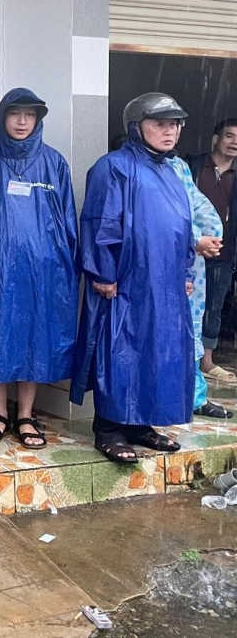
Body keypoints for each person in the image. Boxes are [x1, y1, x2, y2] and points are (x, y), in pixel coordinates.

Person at [72, 93, 196, 463]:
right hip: (125, 282)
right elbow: (97, 222)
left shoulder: (172, 172)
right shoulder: (115, 167)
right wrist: (102, 272)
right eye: (160, 123)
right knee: (119, 352)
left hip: (166, 284)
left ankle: (141, 424)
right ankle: (109, 428)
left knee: (157, 351)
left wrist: (186, 271)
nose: (169, 131)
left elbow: (182, 228)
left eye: (174, 124)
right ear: (136, 126)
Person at [0, 89, 79, 448]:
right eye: (15, 114)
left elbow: (67, 220)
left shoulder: (54, 163)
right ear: (4, 118)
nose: (22, 121)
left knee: (34, 340)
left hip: (42, 272)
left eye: (30, 115)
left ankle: (26, 414)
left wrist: (66, 270)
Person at [166, 147, 232, 419]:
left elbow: (196, 204)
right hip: (162, 262)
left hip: (192, 263)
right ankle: (168, 398)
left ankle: (194, 396)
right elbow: (164, 217)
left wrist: (210, 236)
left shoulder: (179, 166)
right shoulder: (138, 169)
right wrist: (194, 240)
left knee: (191, 328)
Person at [186, 118, 237, 383]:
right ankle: (185, 359)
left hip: (223, 251)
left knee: (214, 305)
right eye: (229, 136)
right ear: (215, 139)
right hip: (188, 249)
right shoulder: (191, 166)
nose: (235, 142)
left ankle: (207, 361)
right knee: (185, 302)